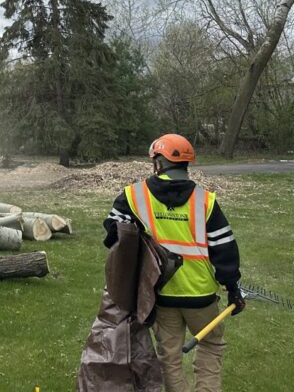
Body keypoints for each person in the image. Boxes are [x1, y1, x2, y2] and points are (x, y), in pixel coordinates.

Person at [103, 134, 243, 392]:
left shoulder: (134, 196)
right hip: (201, 296)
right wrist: (232, 287)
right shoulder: (206, 201)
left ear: (158, 162)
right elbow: (224, 249)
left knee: (170, 358)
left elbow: (113, 232)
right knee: (211, 347)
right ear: (185, 165)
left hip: (162, 294)